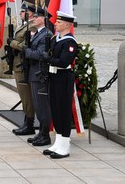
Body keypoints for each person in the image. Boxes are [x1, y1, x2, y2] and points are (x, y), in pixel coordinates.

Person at [43, 11, 78, 159]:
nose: (55, 24)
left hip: (64, 78)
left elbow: (64, 62)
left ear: (67, 25)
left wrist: (49, 59)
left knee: (63, 111)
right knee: (55, 110)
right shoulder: (57, 40)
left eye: (59, 22)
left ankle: (65, 146)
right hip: (54, 77)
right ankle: (58, 142)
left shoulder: (70, 42)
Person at [22, 6, 53, 146]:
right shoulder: (38, 33)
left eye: (36, 17)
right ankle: (41, 132)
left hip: (39, 73)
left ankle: (45, 135)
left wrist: (26, 51)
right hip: (33, 73)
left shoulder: (46, 34)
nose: (33, 19)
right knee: (37, 104)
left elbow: (41, 55)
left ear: (43, 19)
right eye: (33, 17)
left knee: (42, 106)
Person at [6, 3, 36, 136]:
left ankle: (29, 123)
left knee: (26, 96)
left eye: (23, 12)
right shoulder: (23, 25)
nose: (20, 14)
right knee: (23, 95)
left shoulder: (32, 26)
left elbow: (25, 46)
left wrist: (12, 42)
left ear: (30, 13)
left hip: (24, 65)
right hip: (18, 64)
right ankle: (26, 120)